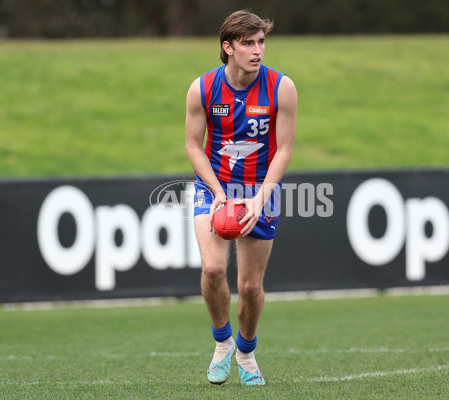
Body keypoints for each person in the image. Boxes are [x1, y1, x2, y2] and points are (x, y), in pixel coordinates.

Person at [185, 10, 297, 386]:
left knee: (250, 287)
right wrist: (218, 192)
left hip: (260, 191)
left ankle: (247, 352)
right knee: (214, 269)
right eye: (248, 43)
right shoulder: (202, 88)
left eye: (261, 41)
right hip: (213, 188)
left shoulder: (282, 88)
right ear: (227, 47)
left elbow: (284, 151)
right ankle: (222, 343)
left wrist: (260, 198)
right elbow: (193, 146)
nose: (257, 50)